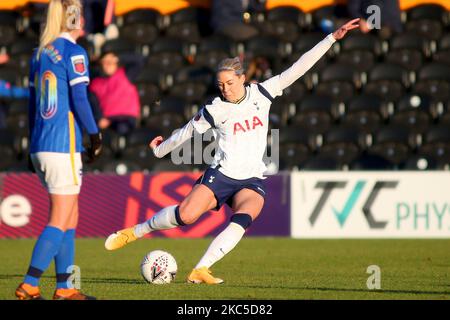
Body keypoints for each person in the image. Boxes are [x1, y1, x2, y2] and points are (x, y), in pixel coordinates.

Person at [105, 19, 361, 284]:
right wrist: (159, 151)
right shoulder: (216, 109)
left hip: (251, 178)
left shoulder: (264, 92)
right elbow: (185, 132)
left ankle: (201, 269)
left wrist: (331, 38)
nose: (225, 89)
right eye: (221, 85)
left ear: (242, 78)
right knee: (186, 215)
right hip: (222, 174)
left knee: (245, 215)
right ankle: (135, 232)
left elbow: (299, 67)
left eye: (229, 83)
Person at [15, 0, 102, 300]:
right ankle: (29, 284)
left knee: (70, 216)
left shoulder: (39, 54)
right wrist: (94, 134)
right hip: (62, 144)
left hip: (41, 143)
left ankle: (65, 288)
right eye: (80, 13)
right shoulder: (74, 53)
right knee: (60, 217)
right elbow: (79, 99)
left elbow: (30, 105)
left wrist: (30, 145)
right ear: (74, 19)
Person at [89, 51, 142, 135]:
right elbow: (93, 102)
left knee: (122, 128)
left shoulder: (126, 74)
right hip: (106, 120)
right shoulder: (95, 83)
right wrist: (100, 117)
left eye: (110, 62)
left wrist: (118, 58)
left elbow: (139, 60)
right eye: (105, 62)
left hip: (126, 118)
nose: (107, 65)